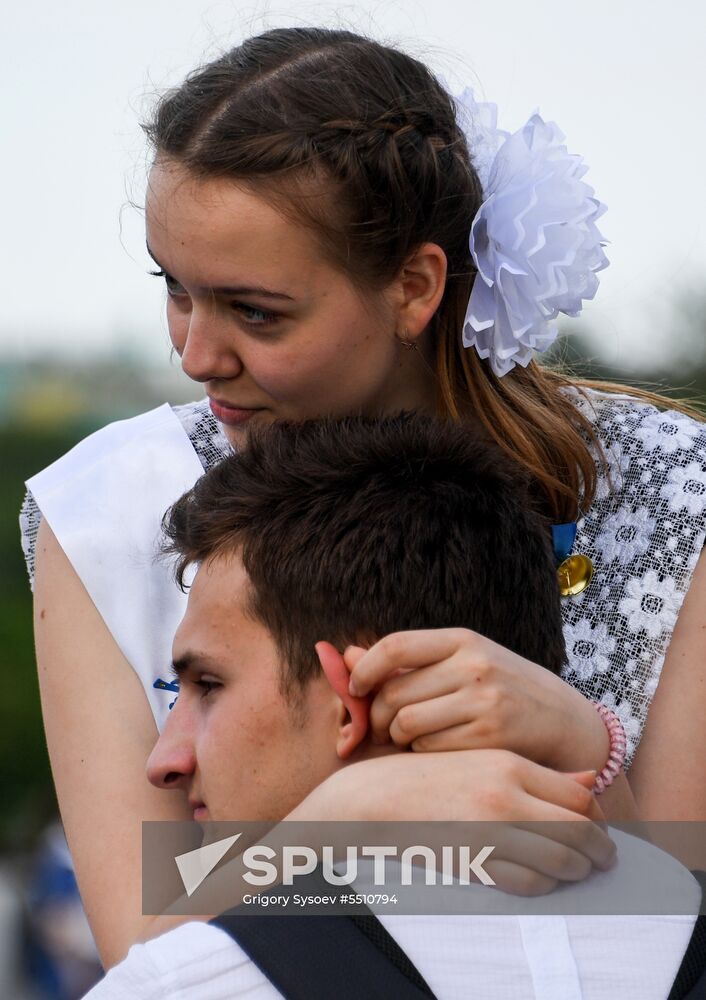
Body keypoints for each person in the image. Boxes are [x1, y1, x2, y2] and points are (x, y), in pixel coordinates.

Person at [21, 25, 706, 969]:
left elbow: (675, 954)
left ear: (415, 285)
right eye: (175, 289)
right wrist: (341, 825)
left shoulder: (673, 496)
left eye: (254, 311)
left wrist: (592, 749)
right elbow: (148, 960)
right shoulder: (111, 507)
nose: (196, 355)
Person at [82, 414, 700, 1000]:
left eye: (208, 685)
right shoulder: (674, 936)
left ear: (354, 697)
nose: (163, 762)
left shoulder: (196, 979)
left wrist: (327, 826)